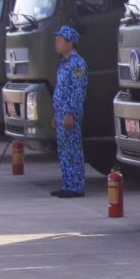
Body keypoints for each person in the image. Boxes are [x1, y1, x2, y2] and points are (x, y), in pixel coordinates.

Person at [49, 24, 89, 198]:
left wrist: (70, 113)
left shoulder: (77, 64)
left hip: (69, 115)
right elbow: (61, 90)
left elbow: (78, 90)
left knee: (73, 151)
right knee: (64, 151)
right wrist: (56, 114)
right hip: (61, 114)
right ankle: (67, 184)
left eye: (60, 41)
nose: (56, 44)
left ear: (70, 43)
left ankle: (76, 186)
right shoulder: (63, 63)